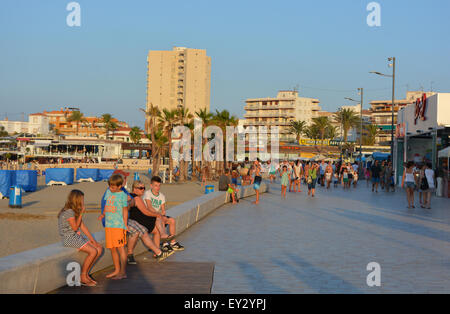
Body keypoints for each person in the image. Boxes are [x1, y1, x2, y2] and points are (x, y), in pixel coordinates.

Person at [58, 190, 103, 287]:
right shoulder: (69, 212)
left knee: (99, 249)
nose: (83, 201)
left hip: (75, 236)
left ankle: (85, 274)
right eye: (82, 199)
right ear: (77, 200)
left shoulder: (74, 210)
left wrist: (93, 241)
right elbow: (75, 228)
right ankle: (83, 276)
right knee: (93, 252)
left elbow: (83, 227)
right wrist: (82, 213)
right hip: (69, 238)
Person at [126, 180, 171, 264]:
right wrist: (157, 214)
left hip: (138, 219)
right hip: (140, 220)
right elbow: (145, 212)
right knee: (157, 221)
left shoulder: (132, 197)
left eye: (144, 188)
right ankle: (160, 244)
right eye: (140, 188)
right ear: (134, 189)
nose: (143, 190)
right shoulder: (136, 198)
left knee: (156, 228)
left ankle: (157, 251)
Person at [98, 174, 129, 279]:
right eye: (110, 186)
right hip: (109, 226)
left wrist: (125, 225)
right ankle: (116, 270)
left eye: (113, 186)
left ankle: (123, 272)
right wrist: (103, 214)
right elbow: (107, 205)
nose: (111, 188)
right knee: (112, 248)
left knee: (121, 249)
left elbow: (125, 211)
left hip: (118, 226)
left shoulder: (123, 196)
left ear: (120, 186)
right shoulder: (108, 192)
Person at [144, 176, 184, 252]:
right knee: (160, 219)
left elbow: (163, 210)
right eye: (155, 186)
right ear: (151, 185)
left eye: (159, 186)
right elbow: (149, 207)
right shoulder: (147, 193)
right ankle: (164, 243)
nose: (157, 188)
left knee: (171, 220)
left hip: (158, 215)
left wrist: (163, 214)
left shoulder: (162, 196)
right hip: (149, 215)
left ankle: (173, 242)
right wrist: (159, 214)